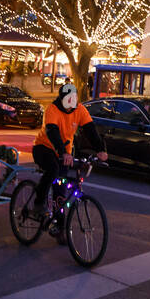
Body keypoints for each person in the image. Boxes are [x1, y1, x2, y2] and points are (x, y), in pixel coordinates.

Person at [30, 83, 107, 221]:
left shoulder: (80, 110)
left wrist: (100, 150)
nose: (71, 104)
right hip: (43, 148)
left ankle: (58, 225)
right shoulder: (52, 110)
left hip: (64, 152)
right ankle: (39, 202)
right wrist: (63, 153)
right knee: (53, 170)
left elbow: (90, 130)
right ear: (61, 99)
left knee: (61, 188)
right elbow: (52, 132)